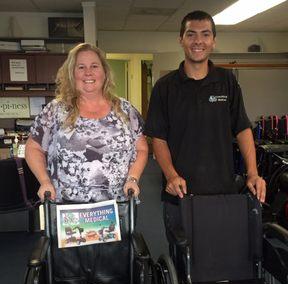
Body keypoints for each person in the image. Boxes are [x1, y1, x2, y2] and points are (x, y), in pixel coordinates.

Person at [145, 10, 266, 242]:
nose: (198, 41)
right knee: (184, 266)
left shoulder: (227, 81)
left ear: (213, 41)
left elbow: (242, 128)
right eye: (191, 34)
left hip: (223, 192)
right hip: (179, 194)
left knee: (220, 261)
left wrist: (253, 173)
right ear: (181, 39)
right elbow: (158, 138)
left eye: (205, 34)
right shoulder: (165, 87)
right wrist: (171, 175)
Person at [25, 42, 148, 203]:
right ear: (71, 73)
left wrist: (133, 179)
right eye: (81, 67)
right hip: (67, 207)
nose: (88, 73)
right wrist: (45, 181)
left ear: (104, 72)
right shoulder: (55, 110)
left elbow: (141, 149)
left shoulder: (125, 110)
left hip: (117, 206)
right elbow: (33, 148)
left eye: (94, 66)